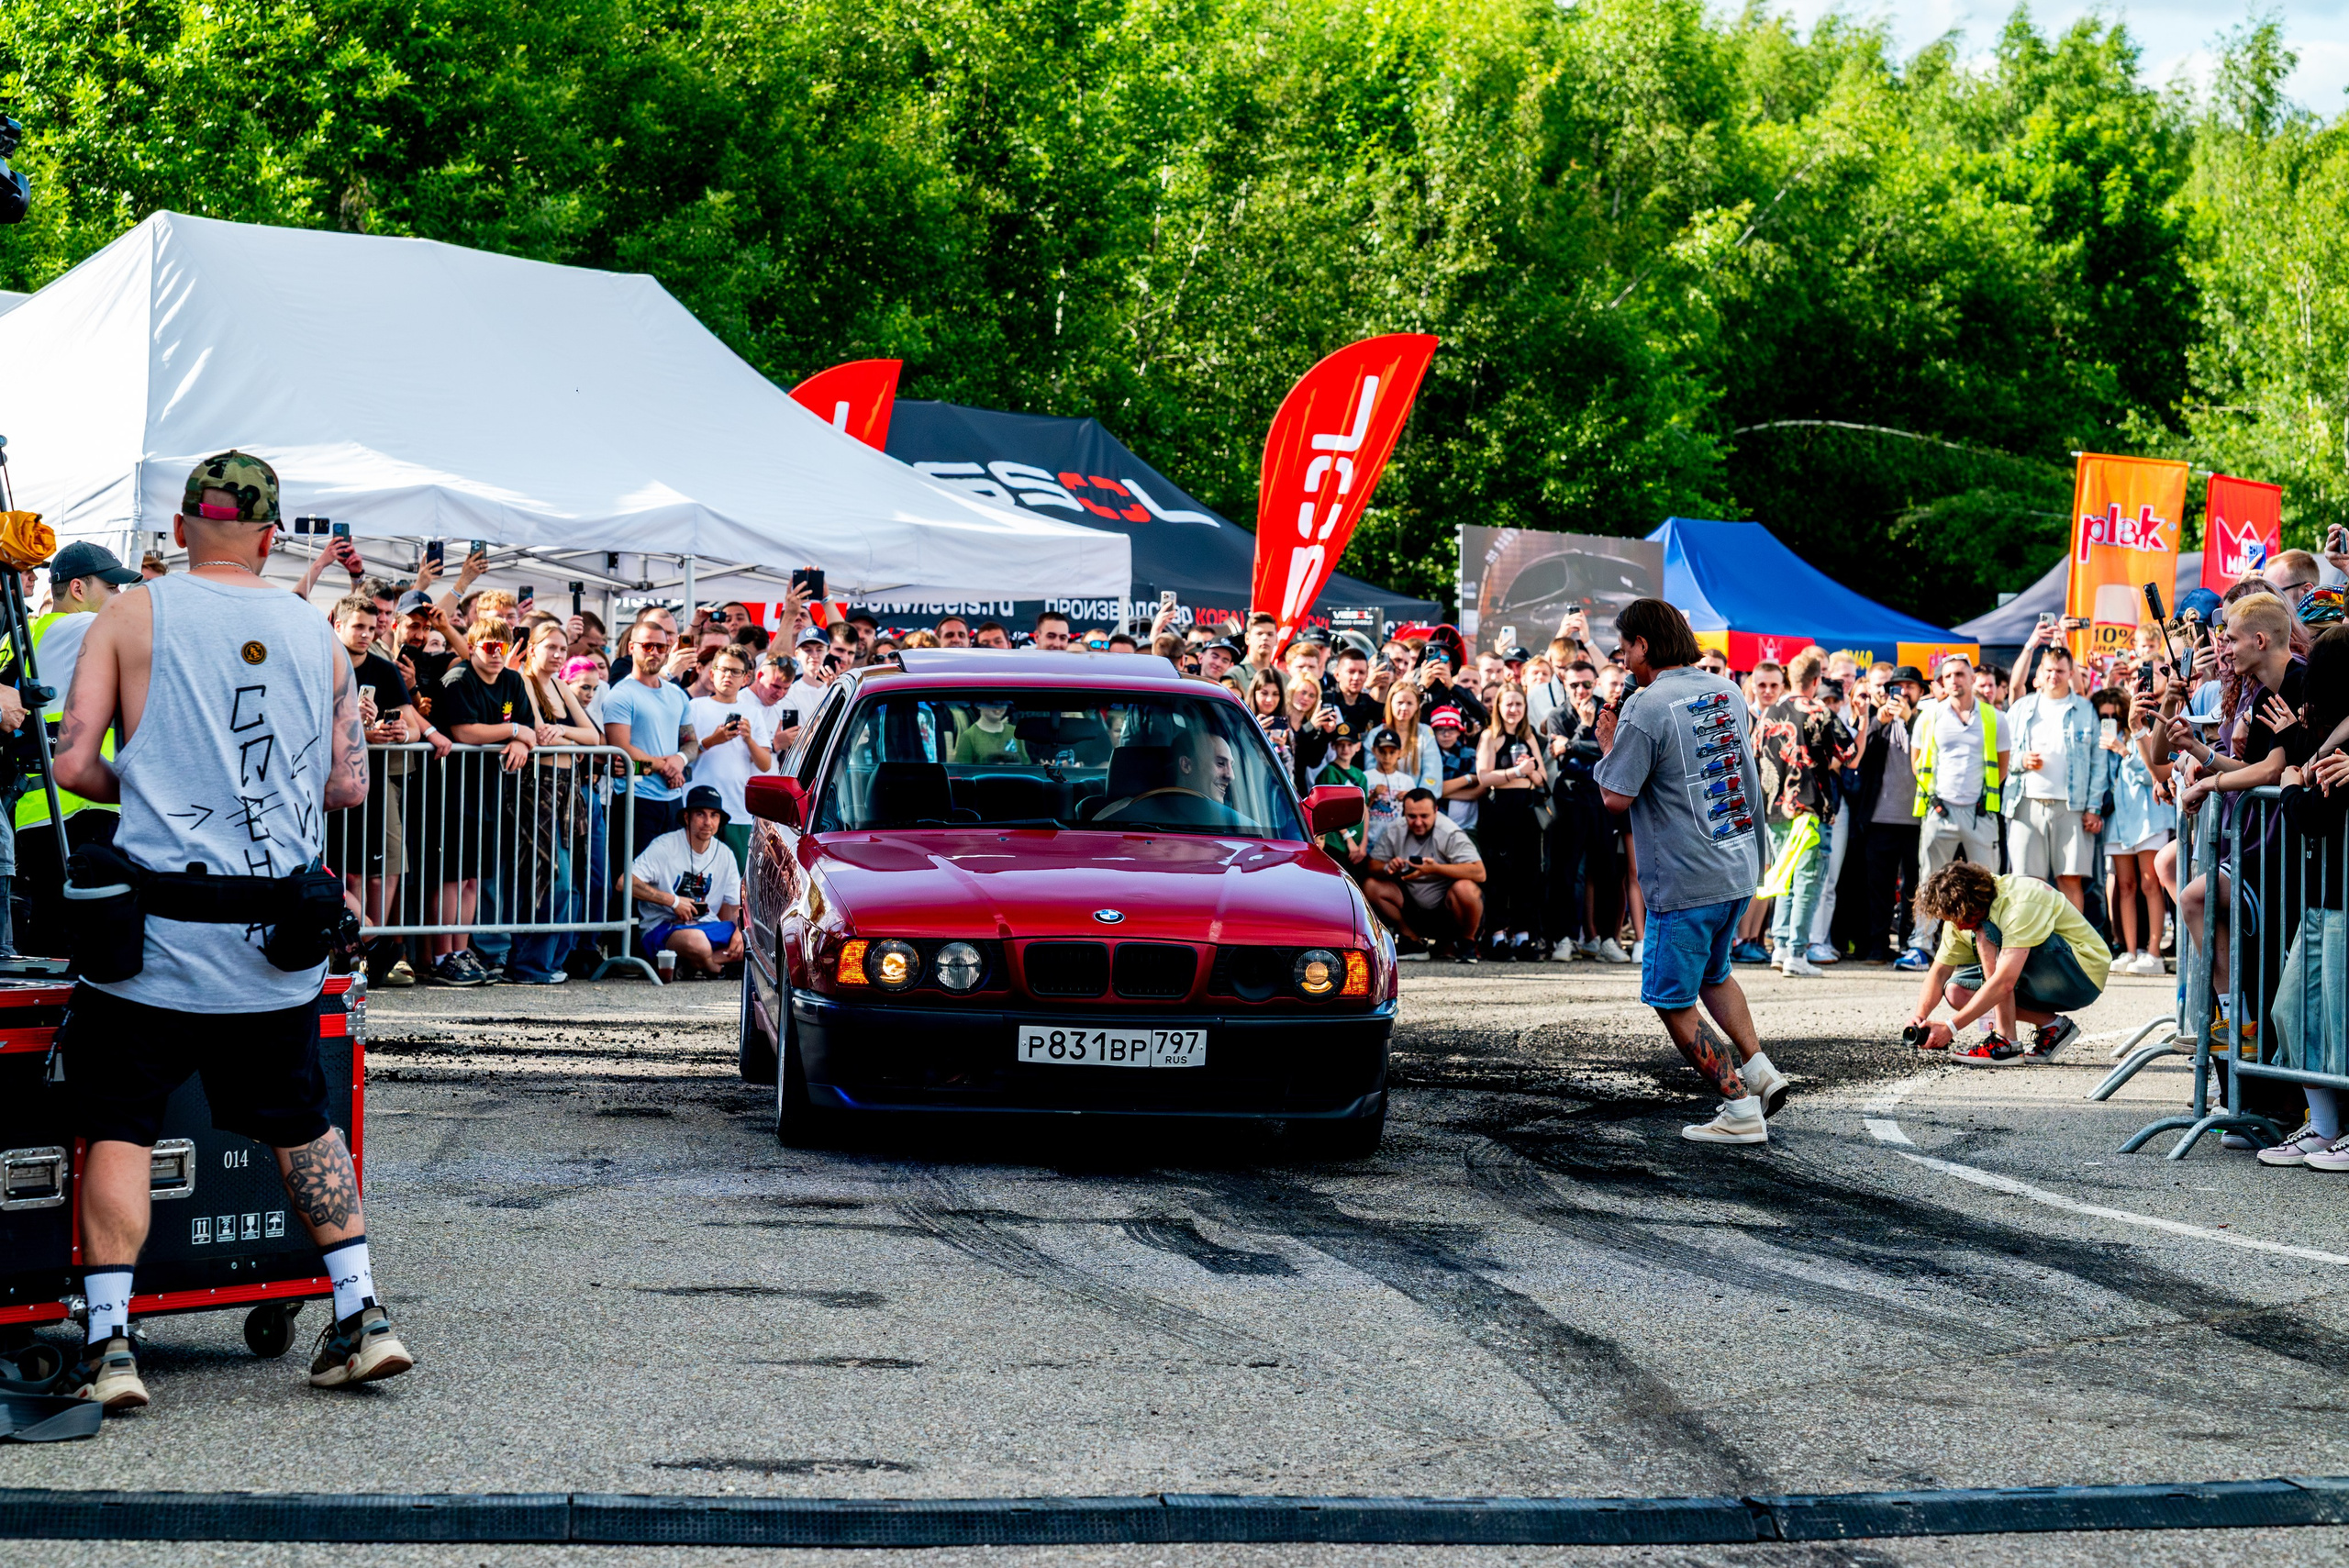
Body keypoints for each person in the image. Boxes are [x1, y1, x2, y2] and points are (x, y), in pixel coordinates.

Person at [50, 449, 412, 1408]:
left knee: (120, 1125)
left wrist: (159, 782)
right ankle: (362, 1311)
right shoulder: (319, 636)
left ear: (178, 529)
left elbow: (76, 763)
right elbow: (347, 784)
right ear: (269, 535)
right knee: (302, 1119)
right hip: (274, 951)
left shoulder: (129, 613)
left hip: (156, 943)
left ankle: (112, 1344)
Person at [1591, 598, 1787, 1145]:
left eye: (1626, 647)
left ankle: (1740, 1107)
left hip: (1685, 876)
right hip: (1736, 863)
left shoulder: (1646, 706)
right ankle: (1760, 1071)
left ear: (1644, 646)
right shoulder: (1725, 689)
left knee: (1671, 998)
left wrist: (1607, 744)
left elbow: (1614, 796)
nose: (1624, 658)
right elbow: (1745, 776)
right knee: (1715, 973)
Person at [11, 541, 141, 955]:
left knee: (49, 933)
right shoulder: (77, 628)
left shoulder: (25, 634)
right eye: (113, 588)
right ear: (80, 589)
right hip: (79, 808)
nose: (120, 600)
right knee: (88, 942)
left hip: (35, 809)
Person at [1905, 860, 2108, 1066]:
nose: (1956, 925)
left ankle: (2005, 1043)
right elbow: (1939, 972)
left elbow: (2004, 982)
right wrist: (1920, 1016)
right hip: (2046, 972)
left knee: (1986, 936)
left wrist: (1951, 1027)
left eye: (1957, 919)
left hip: (2082, 973)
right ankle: (2053, 1026)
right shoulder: (1962, 916)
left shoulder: (2021, 900)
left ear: (1972, 906)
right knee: (1957, 991)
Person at [1897, 654, 2007, 971]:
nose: (1955, 680)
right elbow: (1918, 762)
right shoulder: (1930, 716)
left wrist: (1979, 800)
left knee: (1988, 880)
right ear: (1942, 682)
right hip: (1939, 809)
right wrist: (1937, 797)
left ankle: (1990, 943)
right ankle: (1921, 944)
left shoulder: (1994, 717)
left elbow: (2001, 765)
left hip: (1978, 811)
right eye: (1949, 676)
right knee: (1928, 878)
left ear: (1972, 678)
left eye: (1961, 674)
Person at [1754, 649, 1854, 976]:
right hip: (1810, 808)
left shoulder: (1769, 713)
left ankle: (1780, 948)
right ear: (1816, 681)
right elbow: (1849, 753)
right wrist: (1863, 724)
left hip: (1775, 810)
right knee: (1808, 879)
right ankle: (1797, 953)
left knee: (1784, 878)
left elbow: (1755, 756)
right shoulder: (1819, 710)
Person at [2004, 633, 2107, 912]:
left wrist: (2093, 807)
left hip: (2072, 806)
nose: (2054, 676)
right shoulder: (2022, 708)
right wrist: (2020, 759)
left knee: (2070, 880)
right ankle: (2029, 951)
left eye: (2060, 671)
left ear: (2070, 673)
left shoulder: (2086, 709)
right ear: (2039, 672)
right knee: (2027, 882)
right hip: (2025, 802)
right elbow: (2002, 752)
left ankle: (2074, 951)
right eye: (2048, 670)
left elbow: (2099, 762)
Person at [629, 784, 745, 979]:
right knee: (696, 942)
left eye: (714, 815)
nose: (708, 822)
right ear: (686, 817)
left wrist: (741, 932)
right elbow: (625, 883)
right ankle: (714, 967)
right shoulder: (665, 845)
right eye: (700, 814)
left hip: (708, 927)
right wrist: (673, 901)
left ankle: (690, 964)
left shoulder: (725, 854)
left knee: (754, 938)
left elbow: (735, 907)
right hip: (664, 927)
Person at [1855, 665, 1929, 962]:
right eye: (1898, 686)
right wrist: (1877, 723)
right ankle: (1877, 946)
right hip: (1880, 818)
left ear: (1921, 692)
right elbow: (1861, 758)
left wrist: (1909, 719)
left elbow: (1930, 752)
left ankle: (1911, 943)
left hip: (1916, 819)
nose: (1904, 692)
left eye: (1910, 686)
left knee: (1915, 886)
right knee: (1879, 888)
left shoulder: (1928, 720)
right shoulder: (1879, 719)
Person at [603, 617, 696, 853]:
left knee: (667, 876)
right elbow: (622, 750)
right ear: (631, 647)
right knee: (631, 880)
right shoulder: (620, 695)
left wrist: (679, 761)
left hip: (673, 799)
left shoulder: (677, 694)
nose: (654, 652)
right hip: (635, 799)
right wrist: (668, 767)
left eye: (661, 647)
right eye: (647, 646)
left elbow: (691, 743)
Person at [2103, 683, 2174, 976]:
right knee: (2126, 886)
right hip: (2118, 821)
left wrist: (2124, 751)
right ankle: (2131, 951)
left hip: (2148, 817)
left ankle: (2154, 953)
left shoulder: (2144, 733)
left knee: (2150, 884)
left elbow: (2152, 775)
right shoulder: (2111, 734)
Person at [1366, 787, 1486, 960]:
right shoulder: (1395, 829)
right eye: (1412, 816)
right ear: (1403, 812)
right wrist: (1388, 866)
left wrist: (1435, 869)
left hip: (1447, 908)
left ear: (1436, 811)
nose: (1418, 822)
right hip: (1411, 905)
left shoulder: (1450, 832)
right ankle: (1413, 941)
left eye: (1424, 816)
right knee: (1371, 886)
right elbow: (1372, 865)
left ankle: (1467, 942)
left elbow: (1479, 872)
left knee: (1465, 889)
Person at [687, 646, 780, 870]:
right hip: (697, 807)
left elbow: (765, 764)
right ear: (712, 673)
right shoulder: (694, 707)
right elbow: (683, 755)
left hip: (737, 809)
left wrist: (748, 739)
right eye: (723, 669)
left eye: (735, 671)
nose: (728, 676)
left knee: (734, 879)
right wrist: (713, 740)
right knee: (696, 873)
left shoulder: (753, 712)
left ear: (746, 678)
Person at [1474, 685, 1548, 959]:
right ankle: (1496, 935)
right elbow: (1483, 777)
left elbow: (1542, 778)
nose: (1514, 709)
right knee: (1498, 875)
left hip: (1525, 810)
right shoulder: (1490, 736)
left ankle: (1523, 935)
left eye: (1518, 703)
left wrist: (1530, 771)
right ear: (1499, 707)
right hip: (1499, 810)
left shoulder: (1527, 735)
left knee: (1527, 875)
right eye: (1508, 704)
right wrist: (1516, 771)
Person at [952, 700, 1027, 764]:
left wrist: (1038, 766)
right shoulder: (968, 736)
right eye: (992, 703)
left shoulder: (1015, 731)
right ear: (979, 705)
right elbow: (963, 772)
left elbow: (1026, 765)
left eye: (1003, 703)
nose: (998, 708)